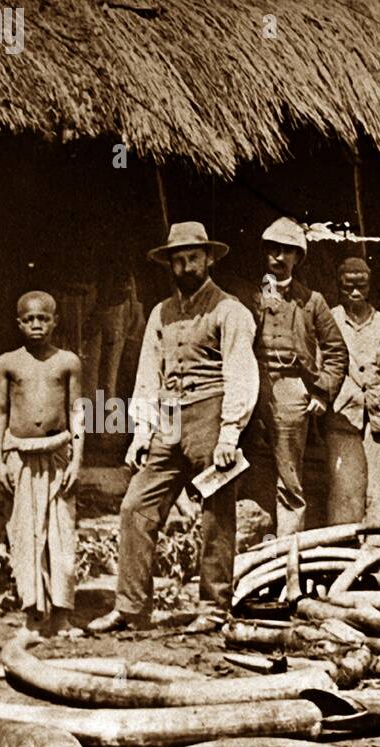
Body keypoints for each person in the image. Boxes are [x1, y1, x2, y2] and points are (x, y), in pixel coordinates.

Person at [88, 222, 258, 633]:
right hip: (168, 417)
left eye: (192, 258)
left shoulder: (230, 310)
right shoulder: (160, 312)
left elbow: (240, 373)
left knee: (216, 514)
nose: (185, 267)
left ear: (208, 258)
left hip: (212, 415)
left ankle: (214, 609)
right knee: (136, 506)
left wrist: (229, 434)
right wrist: (142, 433)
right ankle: (131, 608)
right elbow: (149, 374)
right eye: (177, 260)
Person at [244, 217, 347, 537]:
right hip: (252, 385)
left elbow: (336, 351)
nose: (279, 257)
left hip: (291, 388)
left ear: (298, 258)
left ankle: (286, 551)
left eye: (287, 251)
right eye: (273, 250)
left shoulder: (312, 301)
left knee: (289, 474)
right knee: (246, 462)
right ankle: (252, 537)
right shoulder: (250, 296)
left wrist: (321, 393)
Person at [0, 291, 85, 636]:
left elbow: (77, 412)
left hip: (59, 454)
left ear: (55, 321)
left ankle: (62, 618)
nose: (36, 325)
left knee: (61, 535)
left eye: (42, 318)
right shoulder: (8, 363)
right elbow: (0, 411)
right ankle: (32, 617)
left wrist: (77, 460)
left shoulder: (68, 362)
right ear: (19, 323)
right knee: (25, 534)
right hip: (19, 456)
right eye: (29, 319)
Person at [327, 254, 380, 523]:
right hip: (343, 413)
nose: (356, 292)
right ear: (339, 286)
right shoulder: (329, 319)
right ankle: (344, 546)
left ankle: (379, 545)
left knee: (379, 486)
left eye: (362, 286)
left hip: (377, 415)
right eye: (348, 287)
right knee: (345, 484)